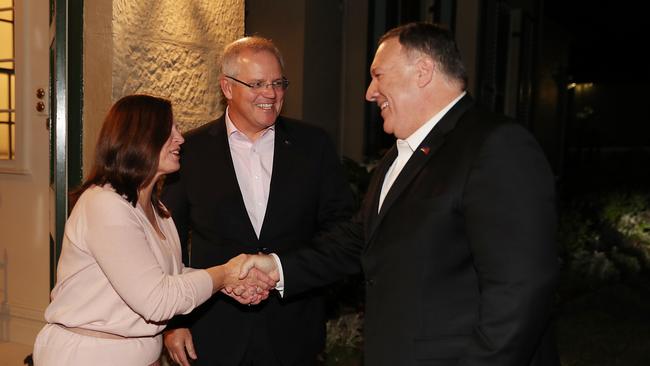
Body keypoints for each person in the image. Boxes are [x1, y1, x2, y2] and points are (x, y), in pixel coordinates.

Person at [242, 22, 561, 366]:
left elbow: (520, 290)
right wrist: (276, 268)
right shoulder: (401, 153)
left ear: (423, 71)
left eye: (378, 75)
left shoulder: (496, 146)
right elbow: (361, 239)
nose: (369, 92)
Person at [32, 95, 275, 366]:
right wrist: (224, 274)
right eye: (168, 130)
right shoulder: (104, 204)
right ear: (138, 138)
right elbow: (157, 300)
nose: (180, 139)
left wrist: (228, 283)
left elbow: (169, 276)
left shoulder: (156, 208)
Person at [161, 36, 354, 366]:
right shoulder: (190, 152)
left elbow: (341, 230)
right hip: (214, 331)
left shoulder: (313, 145)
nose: (271, 94)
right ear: (227, 87)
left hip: (294, 327)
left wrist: (303, 283)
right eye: (258, 84)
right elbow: (169, 242)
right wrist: (175, 322)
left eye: (278, 83)